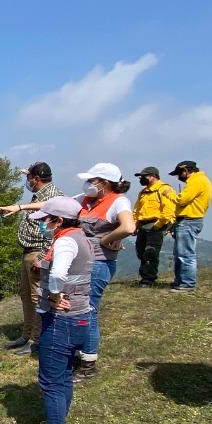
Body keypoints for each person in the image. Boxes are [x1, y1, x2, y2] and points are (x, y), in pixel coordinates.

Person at [24, 196, 94, 424]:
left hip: (61, 320)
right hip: (79, 317)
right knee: (63, 377)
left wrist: (53, 296)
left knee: (51, 381)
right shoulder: (82, 237)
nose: (43, 225)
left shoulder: (65, 241)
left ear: (59, 220)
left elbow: (58, 275)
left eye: (46, 220)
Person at [73, 163, 136, 382]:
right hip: (80, 264)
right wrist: (21, 207)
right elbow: (57, 205)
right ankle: (77, 354)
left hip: (98, 264)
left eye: (93, 180)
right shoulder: (86, 199)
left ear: (105, 183)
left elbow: (128, 227)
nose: (88, 184)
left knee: (88, 312)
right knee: (76, 310)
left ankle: (87, 365)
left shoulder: (118, 201)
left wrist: (107, 239)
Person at [0, 162, 63, 355]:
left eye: (28, 177)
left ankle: (36, 340)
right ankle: (26, 335)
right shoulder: (39, 196)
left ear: (36, 178)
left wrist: (42, 257)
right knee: (26, 296)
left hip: (38, 252)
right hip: (28, 251)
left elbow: (53, 231)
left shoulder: (53, 196)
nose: (27, 181)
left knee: (37, 297)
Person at [167, 160, 212, 292]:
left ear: (186, 170)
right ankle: (181, 281)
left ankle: (187, 284)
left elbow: (182, 200)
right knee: (180, 253)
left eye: (179, 173)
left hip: (189, 220)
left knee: (185, 254)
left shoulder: (196, 181)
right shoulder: (201, 180)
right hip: (190, 219)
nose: (178, 177)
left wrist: (169, 194)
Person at [132, 166, 177, 287]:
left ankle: (148, 279)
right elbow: (137, 210)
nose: (141, 179)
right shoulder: (143, 192)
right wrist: (134, 225)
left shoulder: (164, 189)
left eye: (143, 176)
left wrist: (158, 226)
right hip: (143, 225)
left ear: (153, 176)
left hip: (156, 224)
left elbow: (168, 209)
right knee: (140, 251)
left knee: (150, 252)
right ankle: (145, 275)